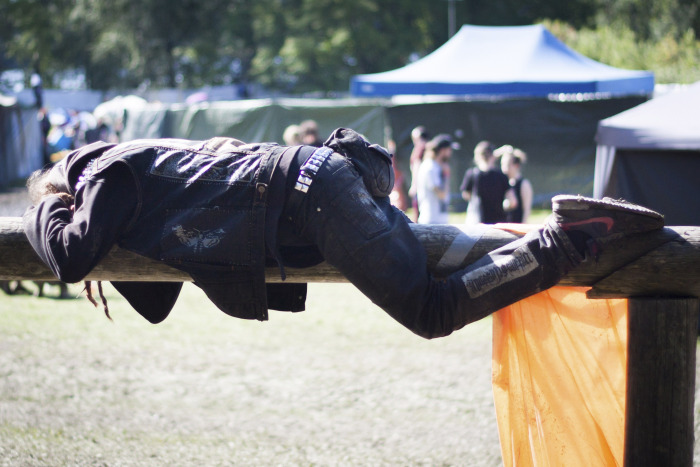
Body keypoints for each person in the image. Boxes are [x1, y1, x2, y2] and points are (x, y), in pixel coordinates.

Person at [22, 128, 664, 339]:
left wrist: (37, 215)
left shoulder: (102, 172)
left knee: (430, 312)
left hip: (310, 196)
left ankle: (566, 240)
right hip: (315, 183)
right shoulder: (138, 175)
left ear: (64, 190)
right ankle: (572, 238)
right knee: (433, 280)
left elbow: (70, 256)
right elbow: (157, 299)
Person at [460, 141, 516, 224]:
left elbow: (466, 195)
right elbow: (512, 202)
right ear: (493, 156)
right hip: (498, 224)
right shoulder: (502, 176)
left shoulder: (472, 174)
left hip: (478, 223)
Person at [415, 134, 453, 224]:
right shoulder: (430, 167)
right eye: (449, 150)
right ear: (443, 150)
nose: (451, 153)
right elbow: (441, 194)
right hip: (432, 221)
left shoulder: (437, 166)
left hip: (439, 220)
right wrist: (447, 175)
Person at [498, 145, 533, 224]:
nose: (504, 169)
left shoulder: (524, 184)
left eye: (507, 165)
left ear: (516, 165)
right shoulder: (505, 184)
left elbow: (526, 210)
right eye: (502, 164)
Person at [407, 126, 430, 222]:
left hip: (421, 183)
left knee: (418, 210)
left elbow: (417, 165)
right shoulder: (428, 147)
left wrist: (414, 185)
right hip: (427, 183)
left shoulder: (421, 147)